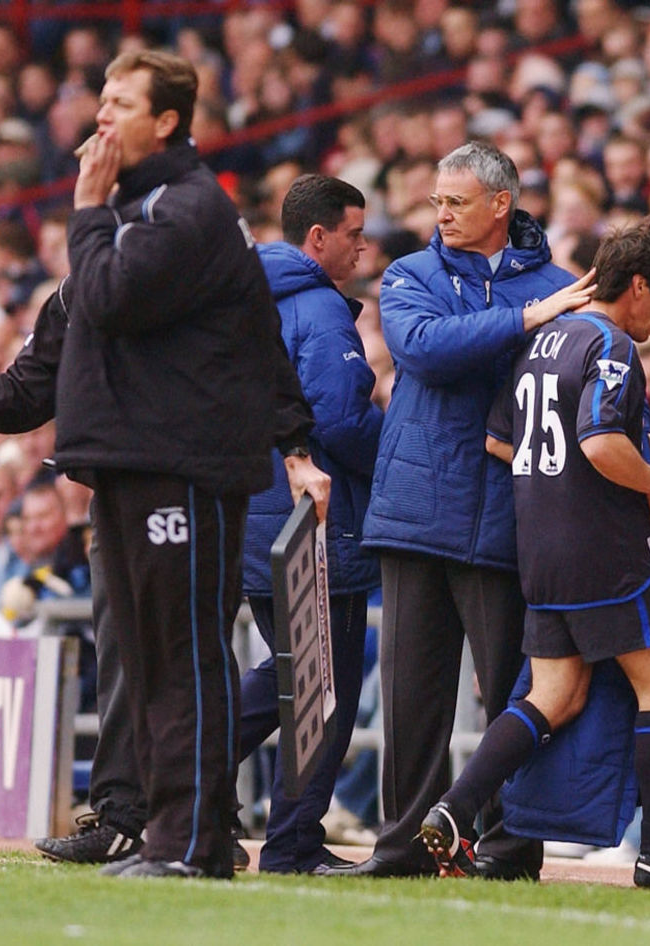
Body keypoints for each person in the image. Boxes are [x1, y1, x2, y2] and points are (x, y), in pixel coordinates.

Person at [53, 49, 325, 880]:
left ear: (166, 120)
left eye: (121, 102)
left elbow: (105, 297)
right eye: (101, 98)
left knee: (184, 659)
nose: (102, 115)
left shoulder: (187, 209)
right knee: (152, 662)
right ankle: (185, 836)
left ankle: (190, 845)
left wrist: (86, 210)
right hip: (134, 460)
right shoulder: (150, 205)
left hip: (183, 464)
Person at [417, 217, 650, 891]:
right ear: (640, 283)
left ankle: (454, 809)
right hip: (607, 548)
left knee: (554, 695)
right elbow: (598, 442)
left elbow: (500, 443)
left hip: (539, 549)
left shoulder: (542, 340)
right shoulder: (612, 343)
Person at [325, 141, 593, 880]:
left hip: (514, 516)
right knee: (412, 695)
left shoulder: (561, 284)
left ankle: (509, 850)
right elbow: (421, 349)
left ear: (500, 204)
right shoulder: (412, 274)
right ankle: (403, 848)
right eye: (437, 200)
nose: (439, 212)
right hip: (417, 512)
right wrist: (528, 319)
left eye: (455, 201)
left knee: (514, 690)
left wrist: (535, 315)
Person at [236, 173, 383, 874]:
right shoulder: (321, 312)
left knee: (294, 675)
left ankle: (178, 776)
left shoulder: (242, 297)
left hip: (252, 518)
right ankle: (290, 843)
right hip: (315, 522)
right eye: (354, 234)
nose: (364, 247)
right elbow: (343, 421)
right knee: (321, 688)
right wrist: (404, 452)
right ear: (317, 237)